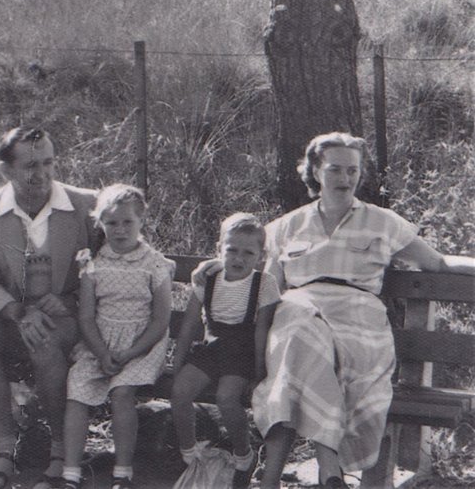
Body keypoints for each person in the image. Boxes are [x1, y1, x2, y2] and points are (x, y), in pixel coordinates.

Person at [190, 132, 475, 488]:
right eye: (336, 169)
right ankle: (329, 472)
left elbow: (438, 262)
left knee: (301, 351)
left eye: (352, 171)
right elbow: (263, 284)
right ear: (315, 172)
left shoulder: (382, 222)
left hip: (358, 319)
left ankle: (274, 478)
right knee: (298, 327)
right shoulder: (285, 227)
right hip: (300, 310)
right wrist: (211, 267)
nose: (345, 179)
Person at [0, 126, 99, 489]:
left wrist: (73, 296)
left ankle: (62, 452)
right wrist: (17, 312)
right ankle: (5, 450)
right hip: (11, 315)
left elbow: (114, 265)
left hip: (67, 317)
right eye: (29, 166)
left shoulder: (85, 204)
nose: (42, 174)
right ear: (6, 171)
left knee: (44, 338)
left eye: (48, 162)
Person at [61, 184, 175, 489]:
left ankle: (122, 472)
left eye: (128, 222)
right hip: (101, 343)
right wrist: (101, 352)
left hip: (142, 344)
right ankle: (70, 472)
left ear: (141, 222)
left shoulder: (154, 264)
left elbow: (161, 319)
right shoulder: (94, 264)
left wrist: (131, 352)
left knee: (122, 393)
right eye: (111, 223)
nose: (120, 230)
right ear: (100, 223)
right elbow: (86, 316)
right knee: (76, 390)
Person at [170, 213, 280, 489]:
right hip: (212, 347)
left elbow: (261, 332)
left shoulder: (264, 284)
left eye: (248, 253)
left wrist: (258, 374)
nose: (238, 259)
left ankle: (243, 454)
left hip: (242, 353)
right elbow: (189, 324)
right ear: (220, 248)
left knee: (227, 398)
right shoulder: (208, 279)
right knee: (180, 392)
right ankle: (190, 453)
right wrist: (178, 362)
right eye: (231, 250)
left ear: (261, 256)